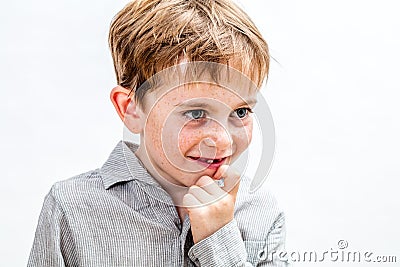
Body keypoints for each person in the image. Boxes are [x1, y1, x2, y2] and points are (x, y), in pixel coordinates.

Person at [28, 0, 288, 266]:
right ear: (132, 109)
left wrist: (218, 241)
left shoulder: (261, 212)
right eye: (196, 113)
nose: (222, 141)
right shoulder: (71, 209)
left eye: (241, 112)